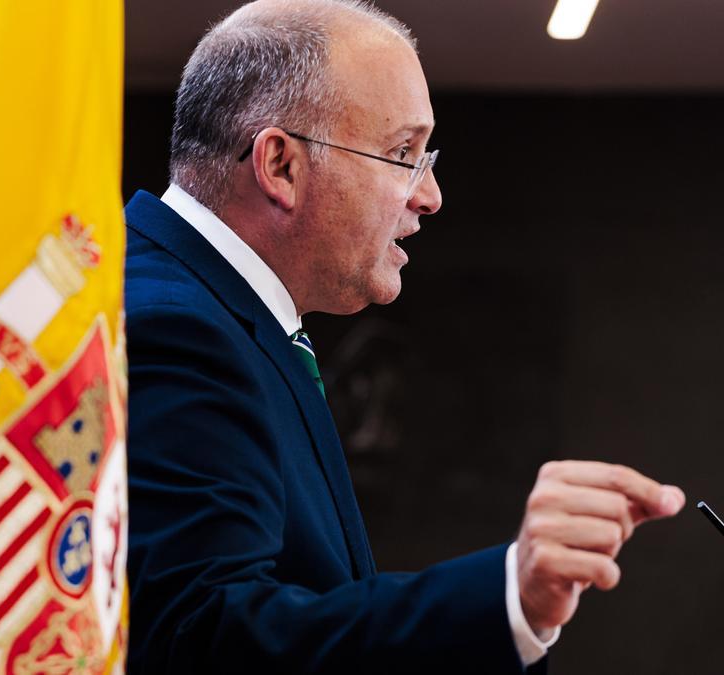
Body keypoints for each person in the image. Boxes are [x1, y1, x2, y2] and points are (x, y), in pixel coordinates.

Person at [123, 1, 686, 672]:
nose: (431, 195)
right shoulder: (178, 327)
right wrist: (509, 598)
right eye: (403, 154)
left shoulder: (216, 309)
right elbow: (204, 638)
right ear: (280, 166)